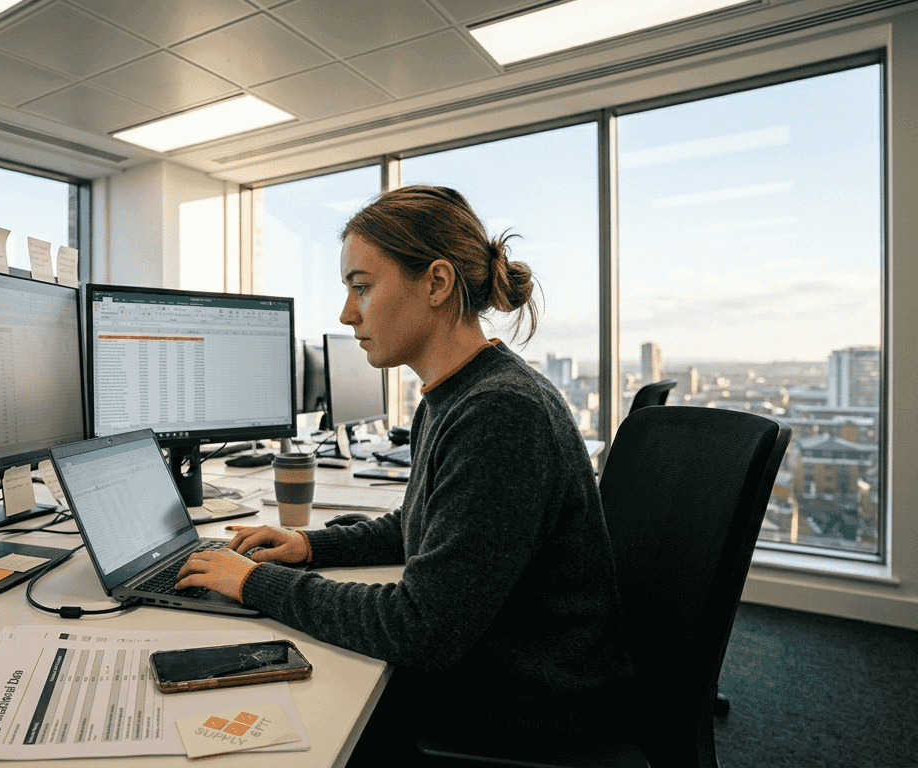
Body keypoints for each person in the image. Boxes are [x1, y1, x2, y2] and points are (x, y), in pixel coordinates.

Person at [176, 184, 633, 757]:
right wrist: (309, 546)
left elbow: (419, 628)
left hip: (531, 711)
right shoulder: (456, 396)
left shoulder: (500, 411)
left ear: (437, 283)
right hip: (501, 671)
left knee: (271, 732)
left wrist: (252, 583)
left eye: (361, 287)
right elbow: (422, 525)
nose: (347, 314)